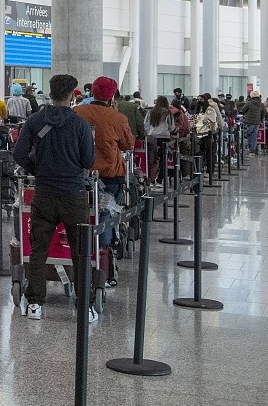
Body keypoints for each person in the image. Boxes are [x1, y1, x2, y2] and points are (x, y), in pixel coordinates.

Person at [12, 74, 97, 323]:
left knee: (39, 250)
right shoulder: (80, 124)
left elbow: (19, 154)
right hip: (73, 194)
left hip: (44, 193)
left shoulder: (34, 121)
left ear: (50, 93)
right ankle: (85, 306)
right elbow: (88, 160)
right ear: (72, 95)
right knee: (80, 252)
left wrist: (39, 170)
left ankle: (35, 304)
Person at [73, 76, 134, 285]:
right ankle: (104, 263)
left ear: (92, 92)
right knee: (106, 216)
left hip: (81, 174)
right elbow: (128, 144)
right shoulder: (117, 118)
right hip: (110, 174)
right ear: (112, 95)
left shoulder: (77, 112)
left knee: (81, 215)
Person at [144, 97, 176, 187]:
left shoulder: (150, 112)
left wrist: (149, 132)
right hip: (164, 138)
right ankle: (160, 180)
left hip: (151, 137)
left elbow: (145, 125)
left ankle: (151, 179)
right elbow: (172, 127)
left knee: (151, 159)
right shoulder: (168, 113)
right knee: (163, 160)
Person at [239, 90, 264, 157]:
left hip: (248, 122)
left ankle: (243, 149)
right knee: (254, 136)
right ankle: (253, 150)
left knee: (246, 135)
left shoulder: (249, 103)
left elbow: (242, 110)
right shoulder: (261, 104)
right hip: (257, 122)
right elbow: (263, 113)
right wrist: (261, 120)